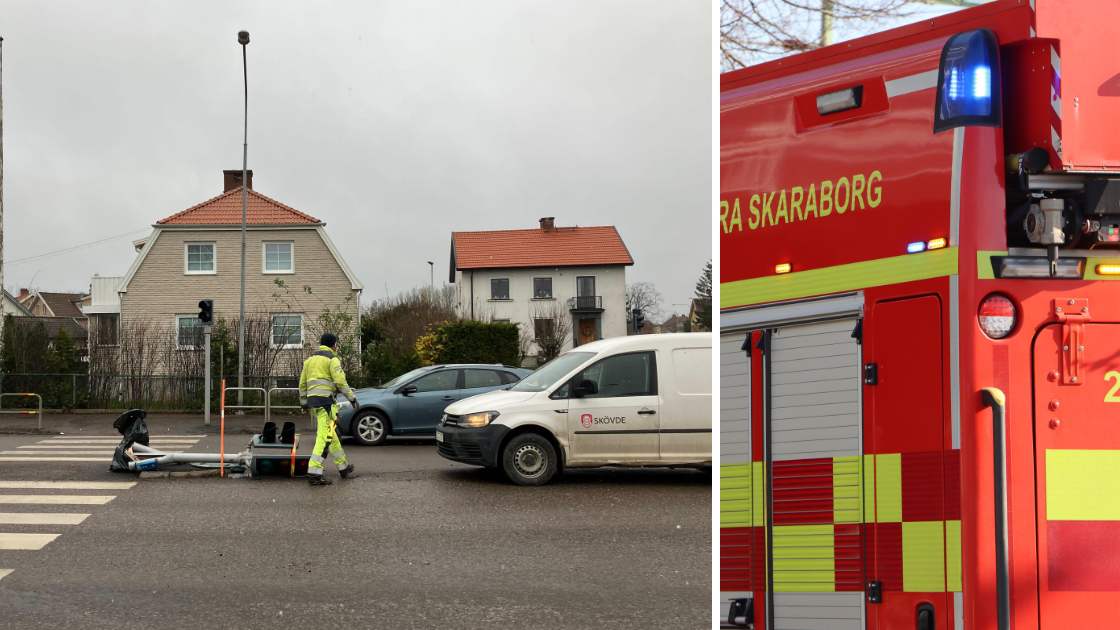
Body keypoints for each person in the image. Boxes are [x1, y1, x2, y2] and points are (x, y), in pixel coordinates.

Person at [298, 332, 358, 485]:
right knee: (325, 438)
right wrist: (352, 399)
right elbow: (340, 381)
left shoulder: (309, 360)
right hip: (326, 403)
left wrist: (304, 402)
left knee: (331, 435)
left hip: (314, 403)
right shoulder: (332, 359)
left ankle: (343, 467)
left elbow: (302, 383)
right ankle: (314, 473)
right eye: (336, 344)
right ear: (334, 344)